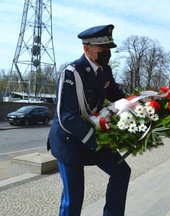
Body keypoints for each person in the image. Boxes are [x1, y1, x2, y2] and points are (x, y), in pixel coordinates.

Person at [47, 24, 131, 216]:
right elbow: (67, 118)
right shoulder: (70, 73)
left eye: (109, 48)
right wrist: (97, 142)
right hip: (69, 141)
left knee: (121, 172)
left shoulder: (104, 70)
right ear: (87, 48)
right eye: (102, 49)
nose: (107, 53)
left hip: (92, 133)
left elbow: (118, 96)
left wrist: (140, 106)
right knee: (74, 198)